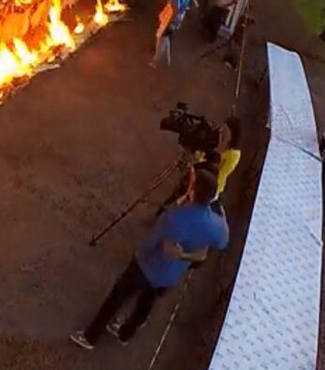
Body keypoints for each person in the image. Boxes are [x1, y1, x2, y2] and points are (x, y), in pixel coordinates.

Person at [70, 171, 228, 349]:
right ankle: (125, 334)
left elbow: (153, 240)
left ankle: (90, 337)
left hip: (147, 264)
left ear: (193, 189)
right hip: (171, 274)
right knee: (147, 302)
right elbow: (222, 241)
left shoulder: (175, 217)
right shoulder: (216, 226)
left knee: (118, 296)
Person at [149, 0, 192, 68]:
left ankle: (155, 62)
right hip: (176, 20)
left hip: (170, 20)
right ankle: (167, 60)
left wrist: (169, 21)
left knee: (160, 40)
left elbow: (175, 8)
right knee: (166, 39)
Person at [215, 116, 242, 200]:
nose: (221, 132)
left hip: (213, 186)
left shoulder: (233, 155)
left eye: (225, 132)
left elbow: (217, 167)